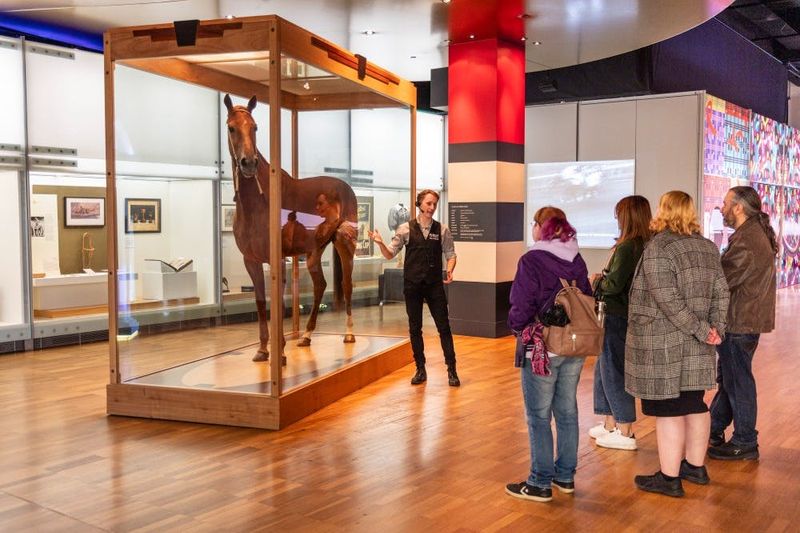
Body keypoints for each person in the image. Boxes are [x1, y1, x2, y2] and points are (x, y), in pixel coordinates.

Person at [626, 191, 729, 498]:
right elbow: (722, 293)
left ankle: (669, 478)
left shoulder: (660, 246)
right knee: (694, 404)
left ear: (664, 210)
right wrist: (715, 329)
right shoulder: (708, 247)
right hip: (698, 344)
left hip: (665, 344)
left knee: (669, 409)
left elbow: (667, 300)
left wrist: (702, 329)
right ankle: (694, 467)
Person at [505, 207, 591, 503]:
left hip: (542, 347)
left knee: (538, 416)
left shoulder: (532, 260)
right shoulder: (576, 259)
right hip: (573, 346)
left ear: (541, 227)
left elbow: (521, 303)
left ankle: (539, 482)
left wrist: (519, 329)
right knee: (567, 412)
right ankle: (565, 476)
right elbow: (588, 296)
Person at [708, 186, 777, 461]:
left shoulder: (747, 240)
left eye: (725, 203)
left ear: (738, 207)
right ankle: (713, 429)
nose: (721, 208)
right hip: (742, 321)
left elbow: (723, 281)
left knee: (738, 383)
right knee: (730, 381)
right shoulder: (751, 234)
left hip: (739, 322)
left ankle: (745, 441)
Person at [369, 189, 459, 386]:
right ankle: (420, 369)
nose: (432, 207)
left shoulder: (442, 229)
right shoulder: (405, 229)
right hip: (413, 286)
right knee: (415, 328)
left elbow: (451, 254)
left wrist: (450, 270)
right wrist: (380, 243)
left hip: (435, 285)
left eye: (434, 204)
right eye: (428, 203)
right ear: (419, 204)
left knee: (444, 327)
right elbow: (389, 254)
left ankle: (452, 370)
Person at [589, 195, 652, 451]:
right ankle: (609, 423)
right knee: (603, 369)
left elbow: (614, 284)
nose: (616, 218)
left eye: (619, 213)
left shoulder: (628, 247)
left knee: (613, 370)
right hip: (623, 314)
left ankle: (624, 429)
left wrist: (596, 281)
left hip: (617, 315)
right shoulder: (643, 244)